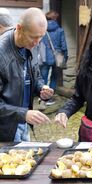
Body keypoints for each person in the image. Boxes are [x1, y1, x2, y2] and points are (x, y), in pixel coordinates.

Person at [0, 7, 54, 142]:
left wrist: (41, 88)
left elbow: (35, 75)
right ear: (19, 28)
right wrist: (23, 113)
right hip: (5, 128)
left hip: (23, 121)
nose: (37, 43)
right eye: (33, 37)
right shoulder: (1, 54)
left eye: (41, 37)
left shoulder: (31, 45)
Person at [40, 10, 68, 106]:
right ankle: (50, 98)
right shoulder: (60, 30)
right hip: (57, 57)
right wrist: (66, 57)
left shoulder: (42, 30)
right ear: (55, 18)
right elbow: (63, 46)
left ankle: (42, 99)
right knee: (54, 78)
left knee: (43, 78)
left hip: (44, 57)